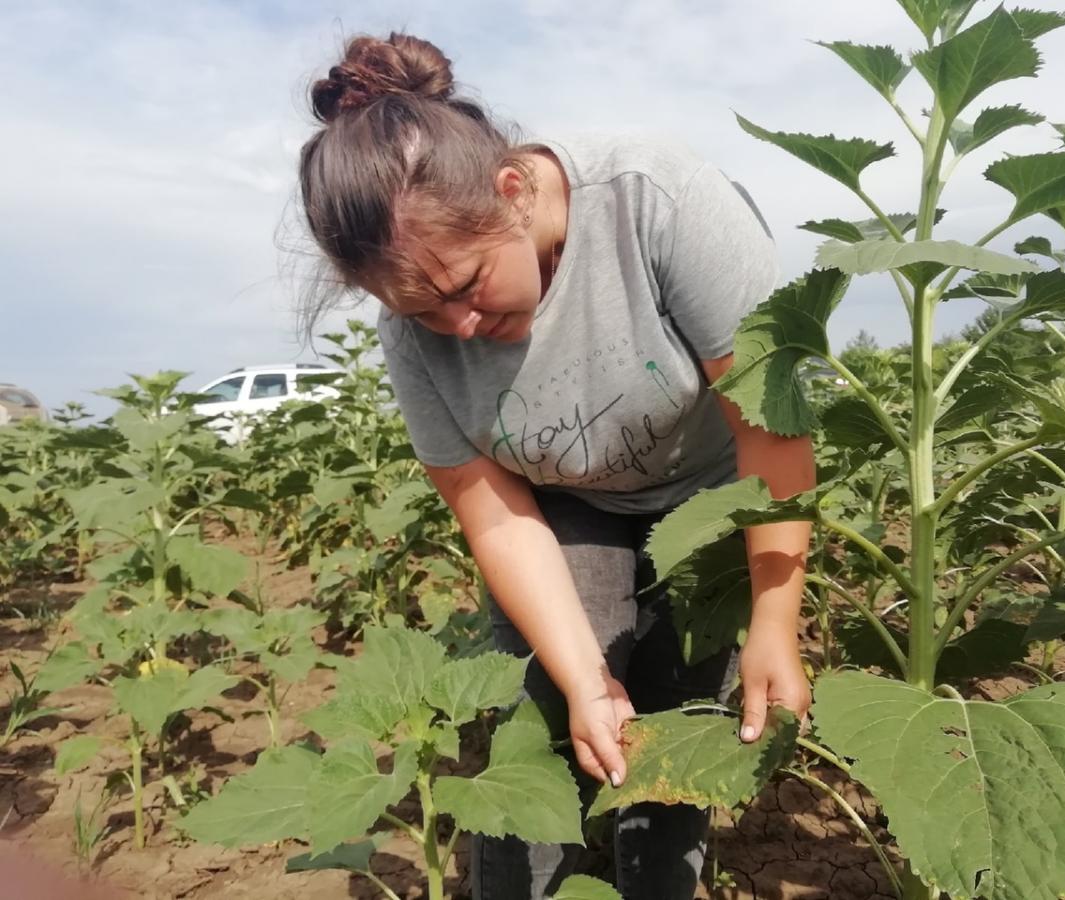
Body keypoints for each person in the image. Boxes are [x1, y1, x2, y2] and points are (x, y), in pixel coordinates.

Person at [296, 31, 816, 900]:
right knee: (540, 720)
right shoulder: (413, 331)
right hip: (565, 501)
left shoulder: (654, 200)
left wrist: (775, 614)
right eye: (421, 310)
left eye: (464, 286)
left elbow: (773, 427)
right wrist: (583, 677)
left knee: (679, 721)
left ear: (511, 191)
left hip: (715, 493)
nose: (455, 326)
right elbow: (490, 508)